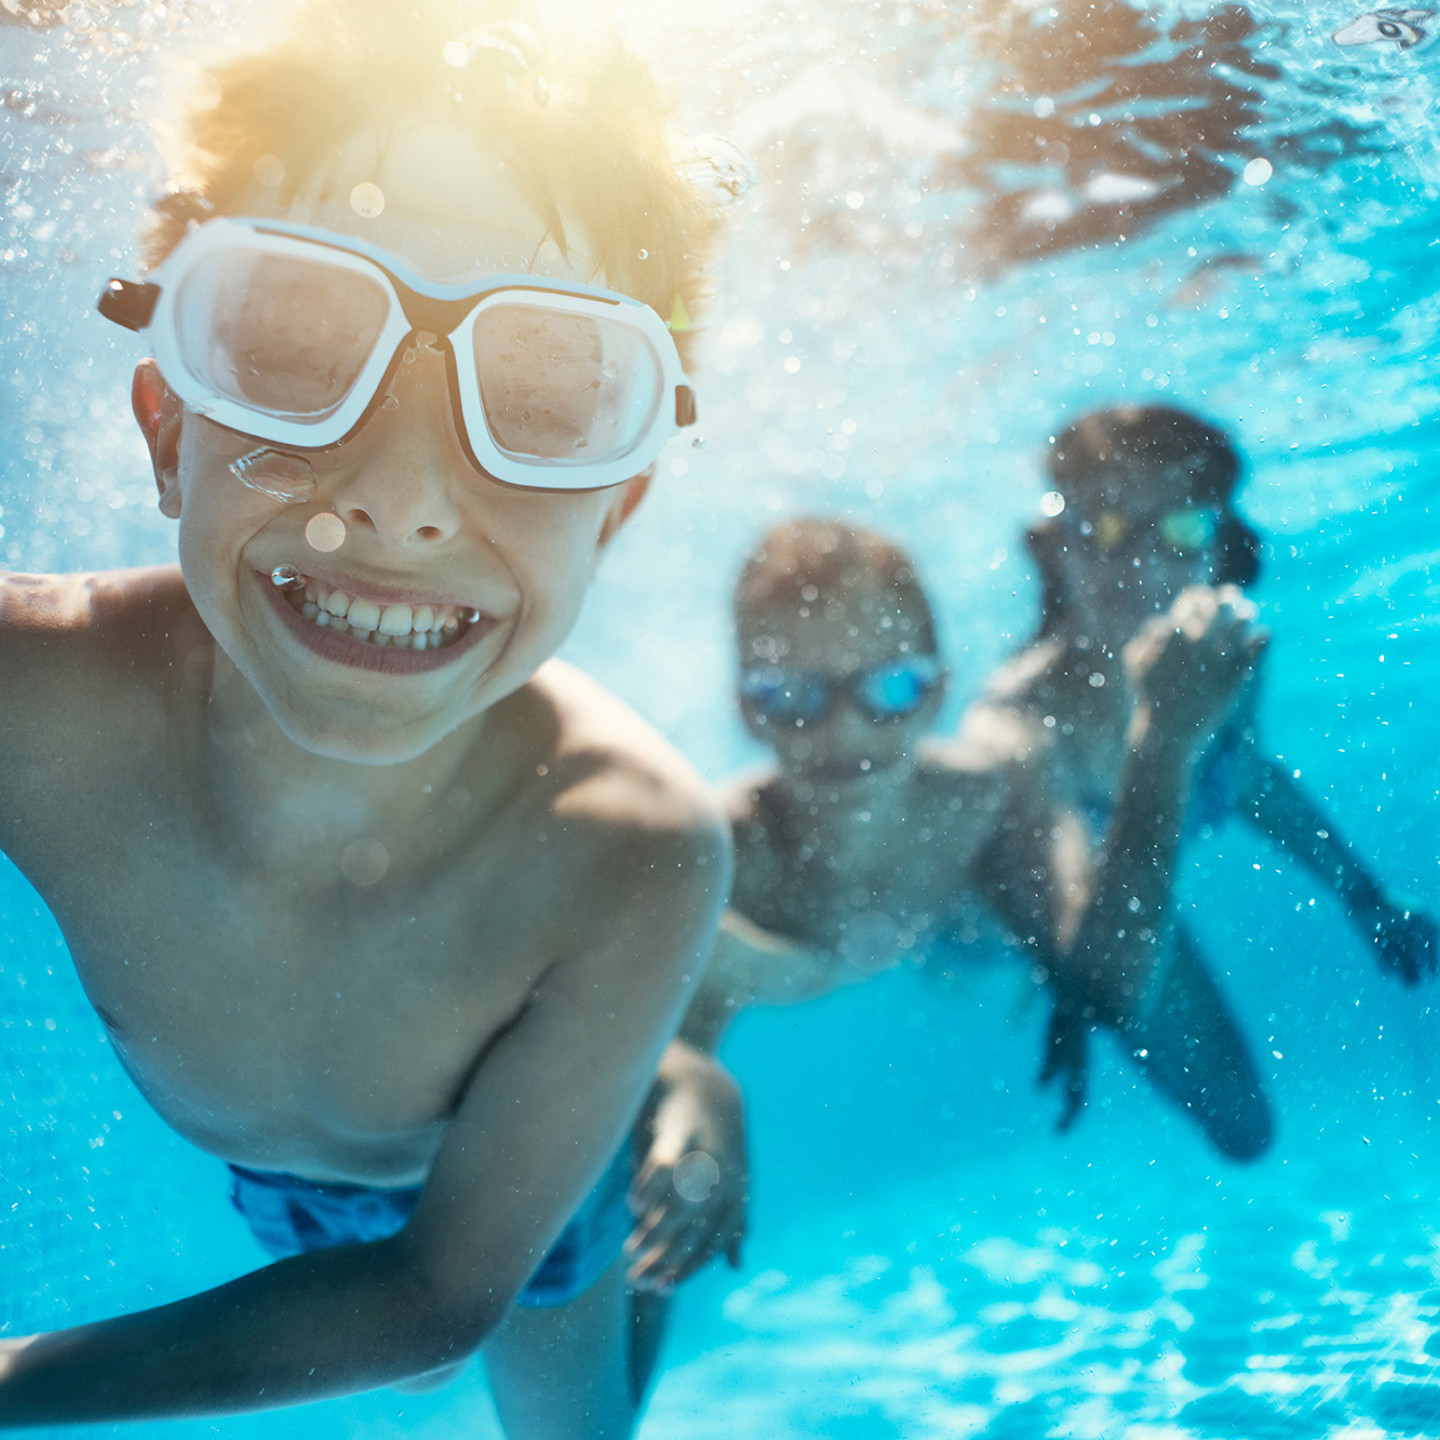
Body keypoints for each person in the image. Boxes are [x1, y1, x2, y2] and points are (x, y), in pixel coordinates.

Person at [0, 3, 733, 1434]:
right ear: (167, 431)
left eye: (539, 401)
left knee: (556, 1415)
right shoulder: (28, 692)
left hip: (518, 1212)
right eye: (287, 348)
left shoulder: (630, 846)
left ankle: (671, 1085)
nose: (397, 499)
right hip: (285, 1195)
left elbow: (433, 1297)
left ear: (618, 512)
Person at [622, 514, 1267, 1369]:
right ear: (747, 708)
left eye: (888, 690)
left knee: (1245, 1127)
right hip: (841, 950)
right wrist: (687, 1133)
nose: (845, 734)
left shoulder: (987, 797)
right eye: (793, 697)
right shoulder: (720, 860)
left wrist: (1165, 741)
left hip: (982, 928)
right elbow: (648, 1133)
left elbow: (1111, 986)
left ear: (936, 689)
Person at [966, 402, 1437, 1128]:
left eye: (1183, 527)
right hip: (994, 927)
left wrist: (1365, 900)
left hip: (1123, 903)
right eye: (1105, 526)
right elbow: (1040, 902)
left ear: (1224, 553)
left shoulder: (1226, 663)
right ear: (1057, 546)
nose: (1142, 561)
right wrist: (1071, 985)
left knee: (1245, 1127)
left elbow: (1247, 779)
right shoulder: (1022, 718)